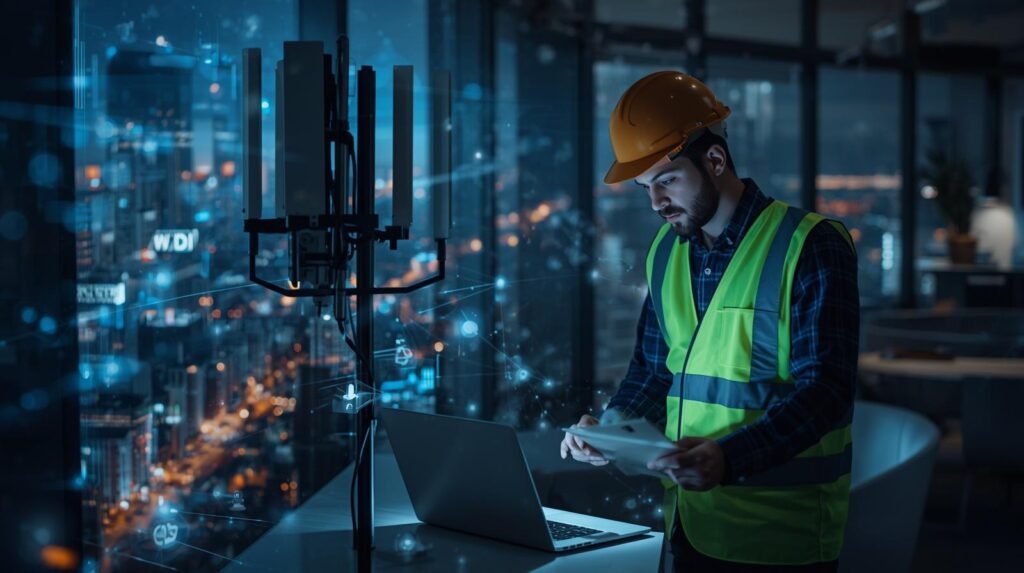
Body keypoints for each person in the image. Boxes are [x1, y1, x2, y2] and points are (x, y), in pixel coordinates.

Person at [559, 71, 859, 572]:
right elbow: (654, 372)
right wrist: (609, 431)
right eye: (646, 187)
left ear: (715, 160)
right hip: (690, 525)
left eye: (667, 179)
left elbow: (825, 392)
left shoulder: (811, 244)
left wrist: (729, 458)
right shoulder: (665, 253)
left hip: (780, 536)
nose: (656, 203)